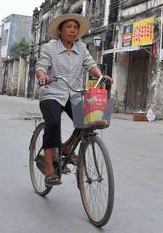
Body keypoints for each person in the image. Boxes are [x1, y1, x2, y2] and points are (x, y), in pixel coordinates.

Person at [35, 13, 113, 187]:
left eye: (75, 28)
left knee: (90, 121)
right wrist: (42, 76)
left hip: (75, 93)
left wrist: (101, 75)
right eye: (69, 27)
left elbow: (90, 64)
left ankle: (67, 146)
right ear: (61, 30)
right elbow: (41, 66)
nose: (72, 30)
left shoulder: (82, 47)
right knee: (53, 123)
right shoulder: (50, 47)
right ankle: (49, 170)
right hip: (52, 92)